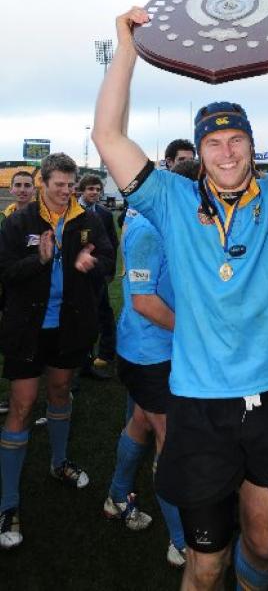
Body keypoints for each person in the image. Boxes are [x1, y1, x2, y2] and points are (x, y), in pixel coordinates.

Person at [92, 0, 268, 590]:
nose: (226, 150)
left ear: (251, 144)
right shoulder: (172, 200)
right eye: (213, 142)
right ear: (201, 152)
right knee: (203, 565)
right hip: (200, 407)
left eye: (236, 138)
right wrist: (127, 48)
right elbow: (107, 134)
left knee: (262, 548)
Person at [0, 153, 114, 549]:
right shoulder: (18, 221)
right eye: (59, 185)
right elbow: (6, 273)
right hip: (27, 330)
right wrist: (39, 260)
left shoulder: (89, 219)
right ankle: (8, 503)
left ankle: (59, 462)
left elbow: (109, 262)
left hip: (70, 328)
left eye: (71, 185)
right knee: (22, 405)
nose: (67, 192)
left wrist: (90, 262)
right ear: (42, 182)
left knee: (61, 392)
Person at [105, 206, 186, 566]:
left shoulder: (172, 221)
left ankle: (117, 496)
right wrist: (194, 333)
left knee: (140, 420)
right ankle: (182, 542)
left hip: (161, 348)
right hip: (148, 352)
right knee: (169, 439)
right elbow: (143, 301)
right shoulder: (148, 228)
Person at [0, 171, 37, 415]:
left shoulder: (40, 217)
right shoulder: (6, 217)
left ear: (34, 189)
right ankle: (13, 396)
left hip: (34, 289)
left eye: (27, 185)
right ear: (11, 189)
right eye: (18, 185)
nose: (23, 189)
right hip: (9, 286)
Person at [78, 173, 119, 378]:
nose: (94, 192)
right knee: (78, 317)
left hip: (98, 273)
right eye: (90, 189)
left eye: (97, 189)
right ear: (82, 191)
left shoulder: (104, 213)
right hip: (75, 274)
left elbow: (112, 243)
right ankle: (79, 361)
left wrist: (109, 270)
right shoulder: (72, 211)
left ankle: (106, 353)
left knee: (103, 313)